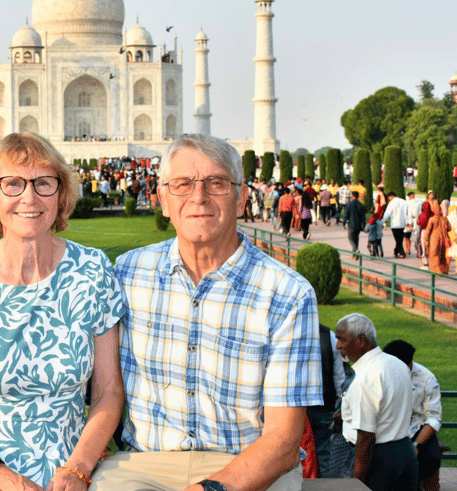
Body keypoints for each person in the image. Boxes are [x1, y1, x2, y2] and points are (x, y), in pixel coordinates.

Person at [94, 134, 323, 491]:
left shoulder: (287, 294)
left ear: (241, 198)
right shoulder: (127, 273)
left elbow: (282, 441)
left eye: (216, 183)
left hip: (250, 463)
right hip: (146, 462)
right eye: (183, 184)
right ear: (164, 200)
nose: (198, 197)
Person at [0, 133, 125, 491]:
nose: (29, 197)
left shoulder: (91, 271)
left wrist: (77, 467)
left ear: (61, 194)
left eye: (43, 183)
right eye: (13, 184)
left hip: (70, 462)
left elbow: (108, 391)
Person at [335, 314, 418, 491]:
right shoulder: (397, 364)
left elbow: (366, 438)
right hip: (405, 452)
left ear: (361, 340)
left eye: (342, 339)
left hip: (378, 458)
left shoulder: (365, 378)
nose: (338, 346)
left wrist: (357, 483)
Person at [383, 340, 443, 491]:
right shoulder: (381, 374)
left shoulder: (427, 379)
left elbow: (434, 418)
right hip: (388, 429)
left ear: (409, 364)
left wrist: (416, 445)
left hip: (417, 430)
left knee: (431, 459)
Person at [306, 324, 346, 479]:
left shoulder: (285, 330)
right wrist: (339, 404)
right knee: (323, 455)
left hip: (295, 408)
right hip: (323, 404)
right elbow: (339, 377)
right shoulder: (327, 335)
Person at [424, 198, 452, 275]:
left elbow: (428, 231)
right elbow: (450, 229)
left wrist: (425, 240)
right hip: (443, 239)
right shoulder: (445, 219)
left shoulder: (432, 219)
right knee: (443, 256)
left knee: (434, 255)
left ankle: (436, 271)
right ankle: (444, 270)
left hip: (434, 239)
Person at [381, 192, 407, 258]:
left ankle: (401, 253)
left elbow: (387, 214)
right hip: (403, 223)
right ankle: (396, 251)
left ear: (391, 196)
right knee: (399, 239)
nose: (389, 199)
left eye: (389, 198)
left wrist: (382, 222)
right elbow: (408, 212)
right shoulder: (404, 202)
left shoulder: (392, 203)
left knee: (398, 239)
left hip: (395, 224)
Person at [344, 191, 366, 260]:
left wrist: (344, 223)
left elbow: (346, 214)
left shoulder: (349, 204)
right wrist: (364, 225)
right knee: (356, 240)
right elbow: (363, 217)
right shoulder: (361, 205)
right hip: (358, 225)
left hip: (351, 225)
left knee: (350, 239)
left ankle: (356, 250)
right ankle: (354, 255)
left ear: (352, 196)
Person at [404, 191, 421, 257]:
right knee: (406, 236)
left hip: (414, 221)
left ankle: (409, 249)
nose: (410, 197)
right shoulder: (407, 203)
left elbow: (417, 213)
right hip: (407, 221)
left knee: (409, 236)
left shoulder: (417, 203)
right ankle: (407, 249)